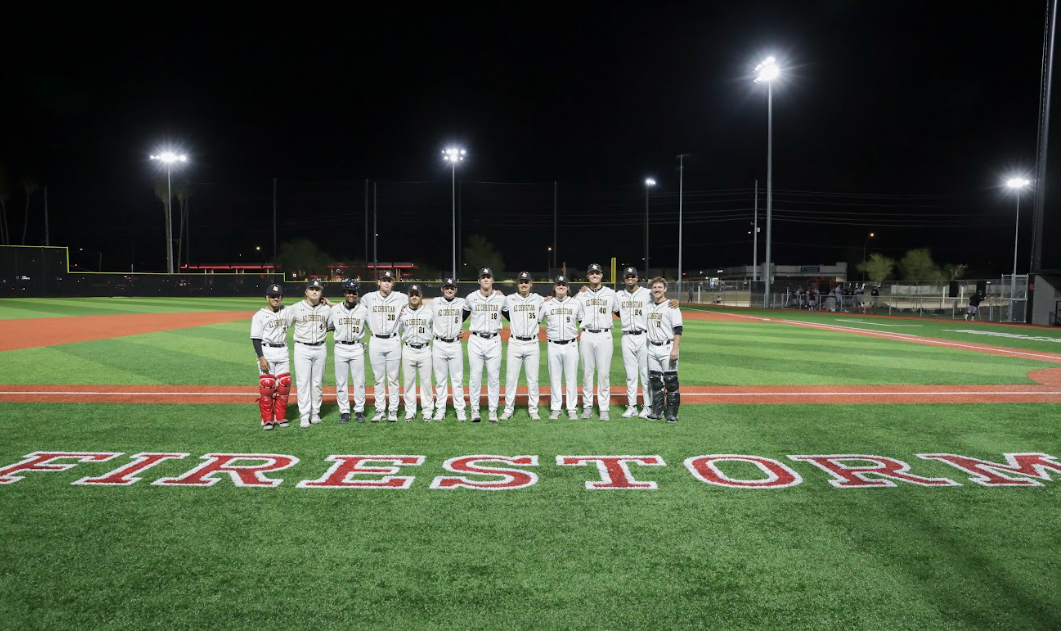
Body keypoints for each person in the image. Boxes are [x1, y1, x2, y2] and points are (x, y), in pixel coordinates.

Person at [360, 270, 408, 421]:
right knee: (378, 378)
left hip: (393, 340)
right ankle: (380, 410)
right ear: (378, 282)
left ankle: (393, 410)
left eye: (389, 280)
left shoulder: (401, 297)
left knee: (393, 378)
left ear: (393, 283)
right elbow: (356, 310)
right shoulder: (368, 298)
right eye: (384, 280)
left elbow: (417, 304)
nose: (387, 282)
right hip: (375, 340)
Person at [285, 279, 332, 428]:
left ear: (321, 293)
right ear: (306, 291)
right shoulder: (295, 308)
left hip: (320, 348)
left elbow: (336, 321)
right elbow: (283, 323)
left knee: (317, 382)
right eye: (311, 289)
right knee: (303, 382)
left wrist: (330, 304)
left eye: (317, 289)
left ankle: (315, 412)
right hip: (302, 348)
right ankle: (304, 415)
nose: (314, 292)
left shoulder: (327, 309)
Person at [501, 271, 544, 420]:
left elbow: (555, 302)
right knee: (511, 378)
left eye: (526, 282)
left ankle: (533, 410)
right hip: (515, 342)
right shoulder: (508, 299)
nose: (524, 284)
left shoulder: (539, 299)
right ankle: (508, 409)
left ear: (531, 284)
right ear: (517, 284)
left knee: (533, 379)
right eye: (521, 282)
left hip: (532, 342)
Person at [574, 263, 616, 420]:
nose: (594, 275)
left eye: (597, 273)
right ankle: (587, 406)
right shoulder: (581, 295)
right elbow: (572, 310)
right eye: (592, 273)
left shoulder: (611, 294)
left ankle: (604, 408)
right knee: (587, 373)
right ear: (588, 276)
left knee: (604, 373)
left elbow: (620, 310)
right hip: (587, 335)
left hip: (605, 336)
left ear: (601, 275)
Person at [538, 275, 584, 419]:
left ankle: (571, 409)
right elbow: (537, 321)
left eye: (564, 284)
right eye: (558, 284)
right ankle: (556, 408)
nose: (561, 286)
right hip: (553, 345)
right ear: (554, 287)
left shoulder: (575, 304)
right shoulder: (547, 304)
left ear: (568, 287)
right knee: (555, 378)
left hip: (571, 344)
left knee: (571, 378)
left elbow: (582, 320)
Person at [463, 268, 506, 422]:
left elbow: (511, 315)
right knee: (475, 377)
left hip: (494, 340)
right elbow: (461, 316)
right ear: (479, 281)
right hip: (476, 340)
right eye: (483, 277)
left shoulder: (501, 298)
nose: (486, 280)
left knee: (494, 377)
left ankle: (492, 410)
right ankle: (475, 410)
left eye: (488, 277)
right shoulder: (471, 298)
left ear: (492, 280)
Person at [250, 283, 292, 430]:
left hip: (283, 350)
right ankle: (267, 418)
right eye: (273, 296)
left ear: (281, 297)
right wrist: (261, 357)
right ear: (267, 297)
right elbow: (256, 339)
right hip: (267, 351)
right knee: (267, 385)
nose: (276, 299)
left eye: (278, 296)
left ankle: (280, 417)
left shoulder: (286, 311)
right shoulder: (259, 315)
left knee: (284, 385)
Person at [612, 267, 653, 418]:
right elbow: (615, 311)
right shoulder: (618, 295)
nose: (630, 278)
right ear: (624, 279)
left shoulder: (647, 293)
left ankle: (647, 406)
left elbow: (661, 301)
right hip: (627, 337)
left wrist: (673, 302)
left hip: (644, 336)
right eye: (627, 276)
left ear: (637, 278)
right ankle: (632, 406)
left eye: (633, 276)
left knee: (645, 373)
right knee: (630, 374)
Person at [328, 280, 368, 424]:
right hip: (340, 347)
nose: (351, 295)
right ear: (344, 293)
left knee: (359, 381)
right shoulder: (335, 309)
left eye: (354, 292)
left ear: (357, 294)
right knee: (341, 381)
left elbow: (372, 324)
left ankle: (359, 410)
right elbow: (329, 325)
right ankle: (344, 411)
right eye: (349, 292)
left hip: (357, 347)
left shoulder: (364, 310)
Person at [645, 277, 683, 423]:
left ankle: (672, 414)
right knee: (655, 381)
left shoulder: (672, 306)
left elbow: (678, 329)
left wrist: (675, 349)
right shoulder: (649, 306)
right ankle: (657, 412)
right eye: (654, 287)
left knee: (671, 381)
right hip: (652, 347)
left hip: (668, 347)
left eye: (660, 287)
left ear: (665, 289)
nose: (657, 290)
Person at [430, 277, 468, 421]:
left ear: (456, 290)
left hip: (455, 344)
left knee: (457, 379)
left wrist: (498, 293)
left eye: (452, 288)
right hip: (439, 345)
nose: (449, 290)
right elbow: (420, 311)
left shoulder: (462, 302)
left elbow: (478, 305)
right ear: (442, 289)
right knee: (440, 379)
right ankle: (440, 409)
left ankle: (460, 409)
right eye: (447, 287)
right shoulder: (434, 303)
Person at [399, 284, 434, 421]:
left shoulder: (429, 312)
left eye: (417, 294)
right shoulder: (402, 313)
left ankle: (427, 410)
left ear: (421, 296)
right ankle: (410, 410)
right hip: (408, 349)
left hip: (425, 349)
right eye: (412, 294)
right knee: (408, 382)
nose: (414, 297)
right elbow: (397, 330)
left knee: (426, 382)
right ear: (408, 296)